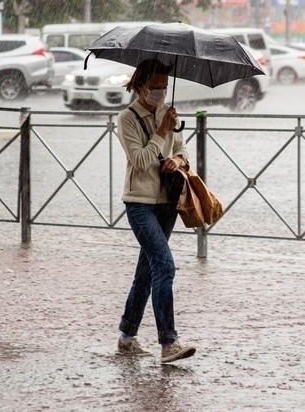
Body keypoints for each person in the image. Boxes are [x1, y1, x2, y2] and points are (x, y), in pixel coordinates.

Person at [115, 58, 196, 363]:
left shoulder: (168, 114)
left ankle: (126, 337)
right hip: (139, 203)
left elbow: (182, 150)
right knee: (164, 266)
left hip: (167, 203)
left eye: (164, 87)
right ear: (139, 86)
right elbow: (140, 160)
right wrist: (162, 131)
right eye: (155, 87)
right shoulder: (127, 118)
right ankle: (169, 343)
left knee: (146, 273)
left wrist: (178, 160)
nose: (160, 93)